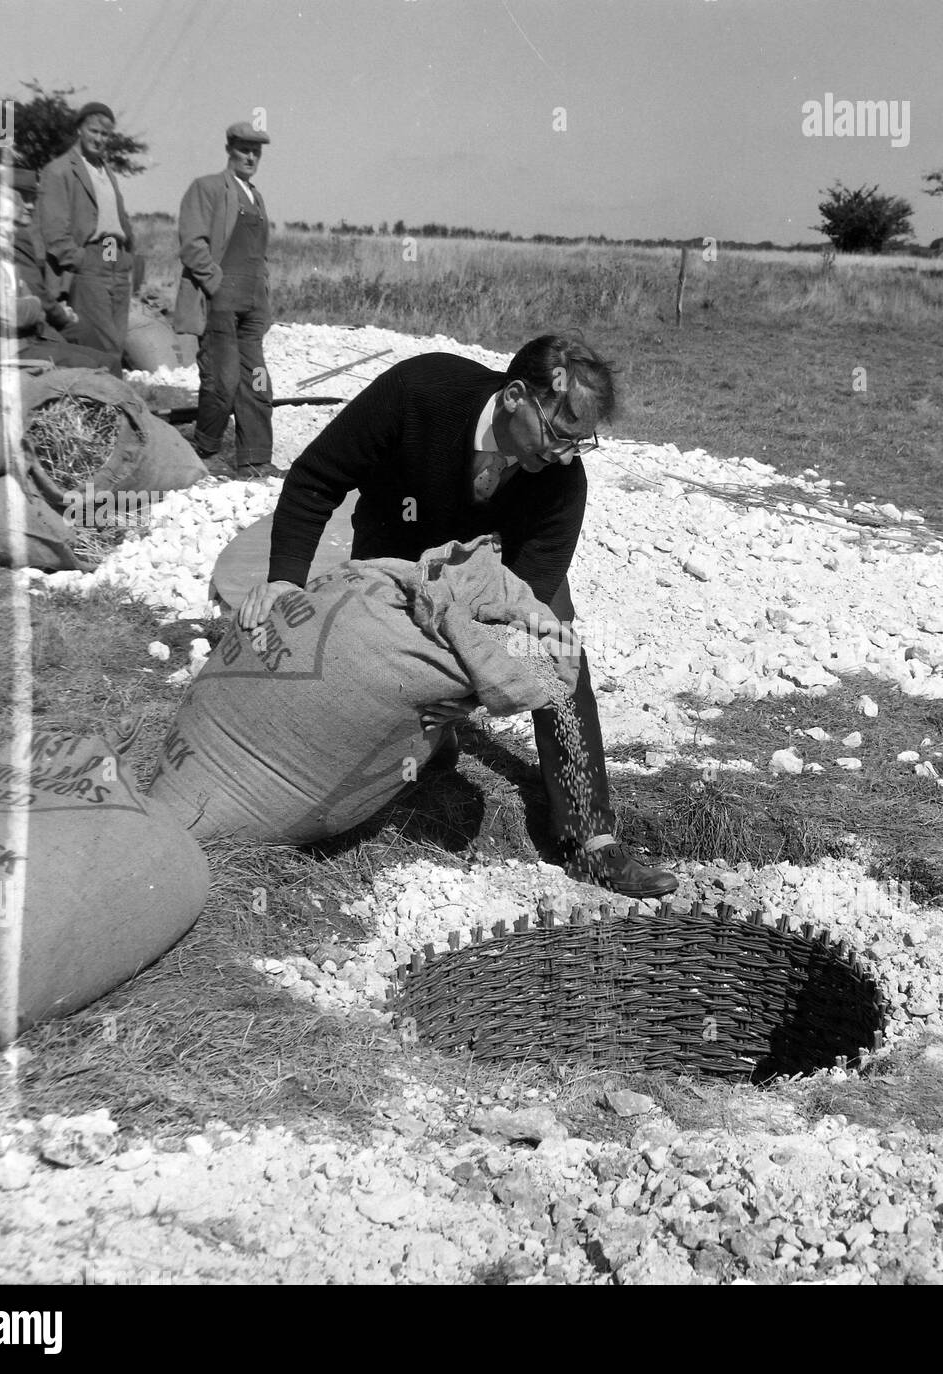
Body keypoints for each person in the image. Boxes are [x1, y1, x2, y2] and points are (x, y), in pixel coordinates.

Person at [238, 336, 679, 899]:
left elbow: (526, 600)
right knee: (378, 669)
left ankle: (588, 839)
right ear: (516, 396)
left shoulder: (560, 478)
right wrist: (285, 577)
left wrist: (487, 668)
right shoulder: (418, 393)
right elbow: (315, 478)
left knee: (559, 660)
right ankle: (421, 744)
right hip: (396, 551)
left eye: (581, 442)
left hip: (500, 575)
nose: (567, 454)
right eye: (559, 434)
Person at [175, 122, 275, 479]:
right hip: (219, 302)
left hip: (251, 305)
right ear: (229, 149)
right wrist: (216, 285)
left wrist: (262, 296)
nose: (251, 156)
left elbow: (258, 255)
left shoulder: (256, 196)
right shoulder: (207, 188)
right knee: (223, 379)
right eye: (244, 149)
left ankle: (255, 460)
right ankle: (206, 450)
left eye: (256, 151)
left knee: (258, 380)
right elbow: (192, 244)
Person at [0, 184, 117, 371]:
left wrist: (26, 303)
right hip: (0, 351)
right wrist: (34, 303)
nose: (9, 230)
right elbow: (12, 314)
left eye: (14, 223)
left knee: (108, 361)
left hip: (22, 341)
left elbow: (21, 302)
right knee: (93, 366)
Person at [36, 101, 134, 360]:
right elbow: (54, 233)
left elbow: (119, 218)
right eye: (94, 131)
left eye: (105, 134)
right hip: (91, 259)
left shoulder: (106, 171)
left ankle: (115, 397)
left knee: (117, 339)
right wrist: (82, 260)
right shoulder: (58, 170)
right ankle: (107, 397)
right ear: (80, 129)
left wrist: (128, 257)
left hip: (117, 260)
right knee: (102, 343)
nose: (99, 139)